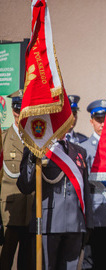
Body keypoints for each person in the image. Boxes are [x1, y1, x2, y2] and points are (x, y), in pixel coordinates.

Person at [17, 136, 93, 269]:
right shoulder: (37, 148)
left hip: (75, 224)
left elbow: (85, 189)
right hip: (48, 223)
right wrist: (32, 158)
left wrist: (88, 223)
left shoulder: (79, 150)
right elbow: (25, 186)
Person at [80, 99, 106, 270]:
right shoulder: (84, 148)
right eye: (99, 119)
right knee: (93, 261)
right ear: (91, 121)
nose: (103, 124)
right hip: (95, 214)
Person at [0, 89, 34, 270]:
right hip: (9, 211)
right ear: (13, 111)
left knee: (28, 261)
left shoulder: (36, 138)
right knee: (4, 259)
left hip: (31, 211)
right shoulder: (3, 138)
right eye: (18, 110)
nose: (20, 115)